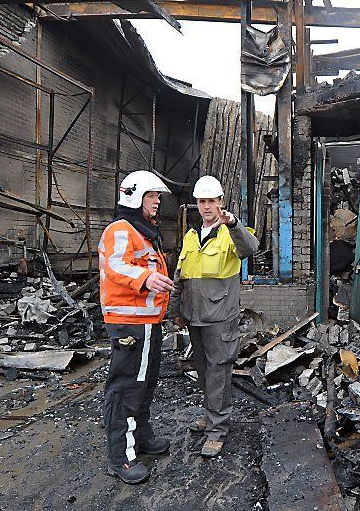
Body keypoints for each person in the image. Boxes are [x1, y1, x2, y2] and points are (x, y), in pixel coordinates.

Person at [173, 175, 259, 458]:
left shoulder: (231, 233)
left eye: (212, 201)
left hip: (220, 317)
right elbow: (181, 276)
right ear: (197, 204)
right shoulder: (190, 236)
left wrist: (233, 224)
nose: (207, 206)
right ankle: (211, 416)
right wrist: (176, 310)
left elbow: (251, 248)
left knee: (219, 370)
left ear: (221, 202)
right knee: (203, 371)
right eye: (202, 201)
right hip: (195, 317)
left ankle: (217, 430)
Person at [99, 170, 175, 484]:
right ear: (135, 196)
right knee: (126, 388)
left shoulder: (143, 232)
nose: (158, 201)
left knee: (144, 384)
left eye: (157, 196)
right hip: (129, 324)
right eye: (152, 196)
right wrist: (146, 278)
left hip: (147, 324)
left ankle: (141, 437)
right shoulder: (120, 229)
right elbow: (115, 265)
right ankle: (121, 457)